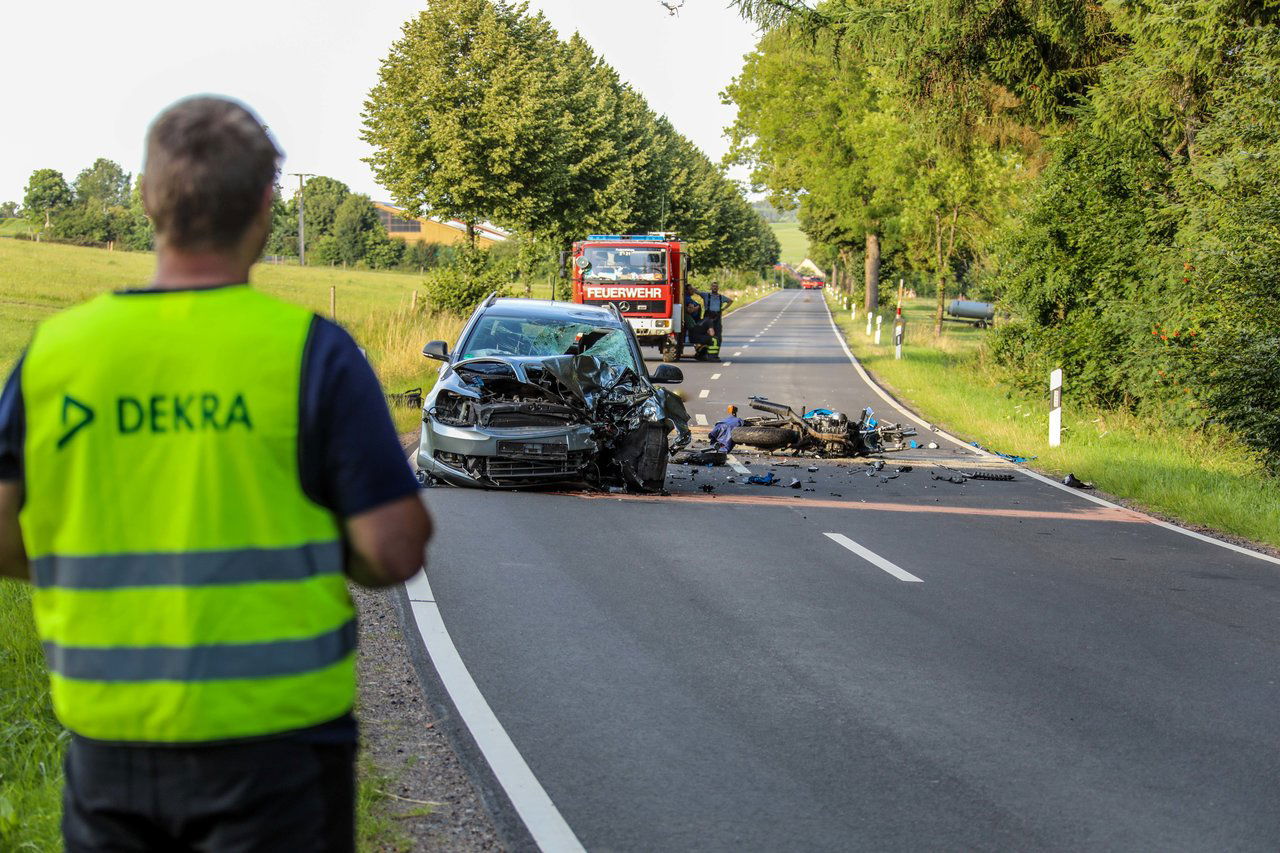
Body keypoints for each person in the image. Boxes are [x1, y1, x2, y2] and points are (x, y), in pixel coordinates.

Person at [0, 96, 433, 852]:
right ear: (266, 206)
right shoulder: (314, 355)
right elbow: (393, 549)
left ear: (146, 199)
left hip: (110, 752)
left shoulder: (56, 355)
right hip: (281, 753)